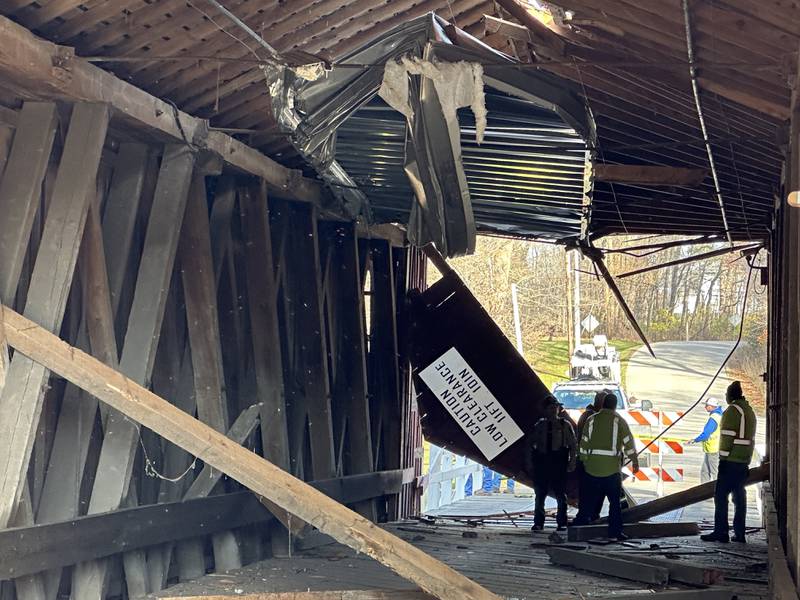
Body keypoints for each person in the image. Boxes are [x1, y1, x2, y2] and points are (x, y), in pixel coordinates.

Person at [577, 392, 639, 540]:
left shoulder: (591, 420)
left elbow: (583, 442)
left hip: (592, 469)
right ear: (615, 405)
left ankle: (581, 529)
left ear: (603, 404)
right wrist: (634, 460)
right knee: (614, 503)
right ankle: (615, 532)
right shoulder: (620, 421)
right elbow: (628, 443)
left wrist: (585, 461)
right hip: (611, 470)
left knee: (587, 501)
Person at [701, 381, 756, 544]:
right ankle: (740, 533)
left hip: (730, 460)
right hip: (743, 460)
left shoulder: (732, 411)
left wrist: (722, 458)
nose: (725, 397)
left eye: (726, 394)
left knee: (720, 496)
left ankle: (721, 532)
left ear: (731, 395)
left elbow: (727, 436)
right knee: (739, 497)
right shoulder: (749, 411)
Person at [525, 396, 577, 531]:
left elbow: (572, 445)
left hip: (559, 462)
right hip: (542, 462)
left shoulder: (565, 425)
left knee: (561, 494)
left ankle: (562, 522)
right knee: (540, 494)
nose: (554, 410)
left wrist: (572, 461)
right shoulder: (539, 425)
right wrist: (529, 462)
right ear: (546, 410)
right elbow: (530, 444)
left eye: (556, 407)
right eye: (551, 407)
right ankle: (538, 523)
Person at [572, 391, 608, 525]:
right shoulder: (589, 417)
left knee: (598, 491)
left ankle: (592, 516)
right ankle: (585, 516)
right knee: (589, 490)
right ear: (599, 402)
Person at [687, 397, 723, 483]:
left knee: (715, 473)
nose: (705, 407)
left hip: (713, 450)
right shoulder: (719, 415)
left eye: (707, 405)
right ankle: (704, 492)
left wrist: (695, 440)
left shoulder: (714, 418)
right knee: (705, 471)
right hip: (712, 449)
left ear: (711, 406)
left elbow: (706, 434)